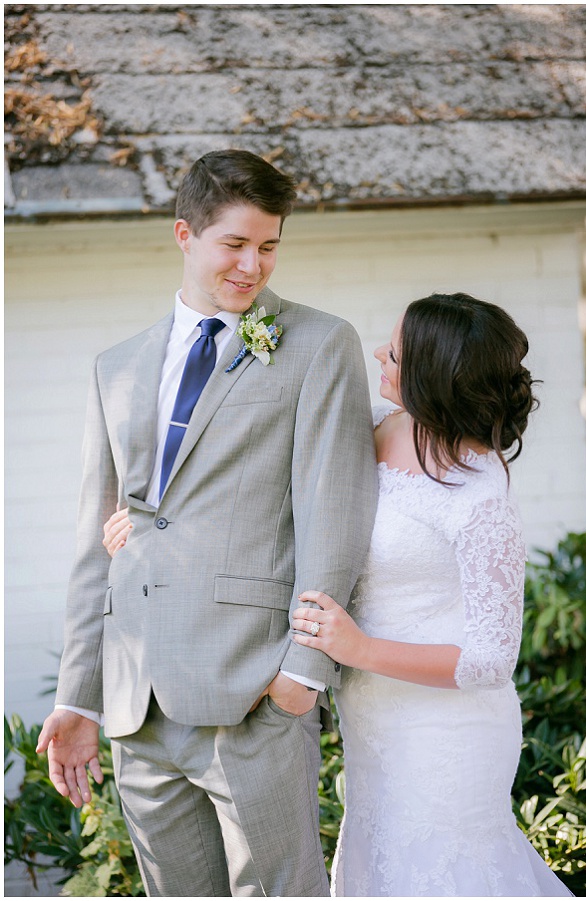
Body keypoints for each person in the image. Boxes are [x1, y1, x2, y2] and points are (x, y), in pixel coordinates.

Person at [39, 149, 378, 896]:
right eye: (235, 243)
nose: (253, 266)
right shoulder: (116, 366)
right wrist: (78, 695)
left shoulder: (320, 345)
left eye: (268, 246)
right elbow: (98, 543)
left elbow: (336, 512)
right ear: (184, 234)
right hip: (138, 705)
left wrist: (302, 674)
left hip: (251, 691)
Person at [287, 293, 570, 895]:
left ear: (435, 376)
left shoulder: (482, 498)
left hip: (450, 735)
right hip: (373, 725)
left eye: (395, 351)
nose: (379, 355)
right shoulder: (375, 425)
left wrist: (358, 648)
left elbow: (491, 660)